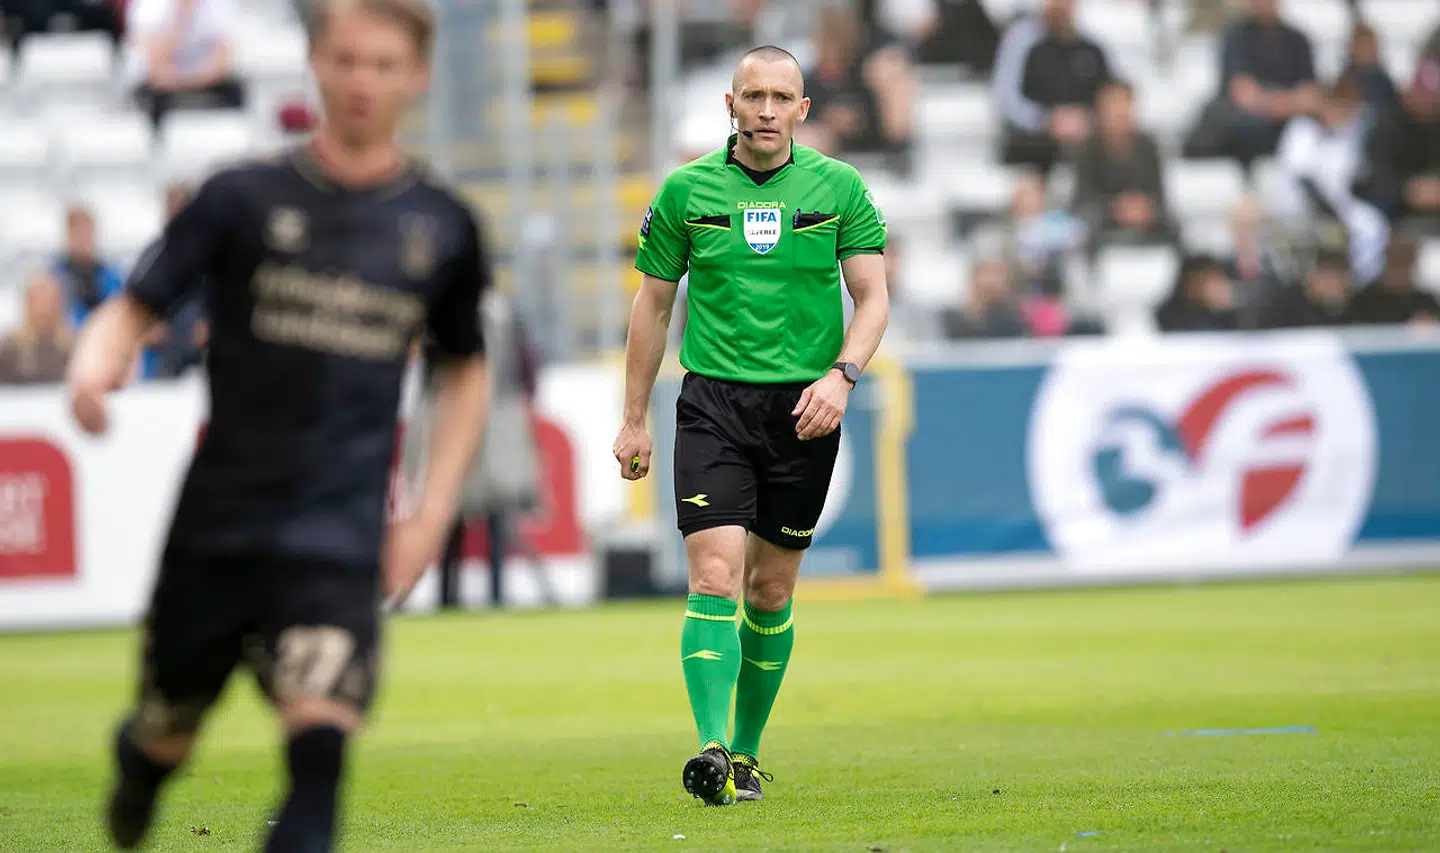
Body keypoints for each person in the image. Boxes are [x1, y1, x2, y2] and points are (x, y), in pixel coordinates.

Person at [66, 2, 492, 850]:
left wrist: (431, 511)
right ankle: (143, 763)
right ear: (316, 64)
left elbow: (464, 366)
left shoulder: (442, 225)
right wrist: (93, 362)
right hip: (220, 522)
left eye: (382, 64)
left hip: (337, 532)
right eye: (346, 60)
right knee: (167, 731)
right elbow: (136, 305)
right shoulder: (239, 198)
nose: (362, 81)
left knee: (321, 749)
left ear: (417, 76)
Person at [614, 45, 889, 806]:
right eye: (753, 96)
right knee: (713, 575)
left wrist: (842, 376)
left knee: (770, 591)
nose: (766, 109)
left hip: (805, 411)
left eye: (781, 97)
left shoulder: (838, 187)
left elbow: (872, 298)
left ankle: (745, 753)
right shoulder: (685, 190)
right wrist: (633, 418)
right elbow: (654, 305)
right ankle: (707, 745)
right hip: (713, 406)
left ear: (803, 110)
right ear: (729, 106)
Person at [0, 271, 74, 385]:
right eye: (38, 299)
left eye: (50, 300)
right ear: (27, 303)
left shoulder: (75, 347)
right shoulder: (9, 348)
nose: (45, 307)